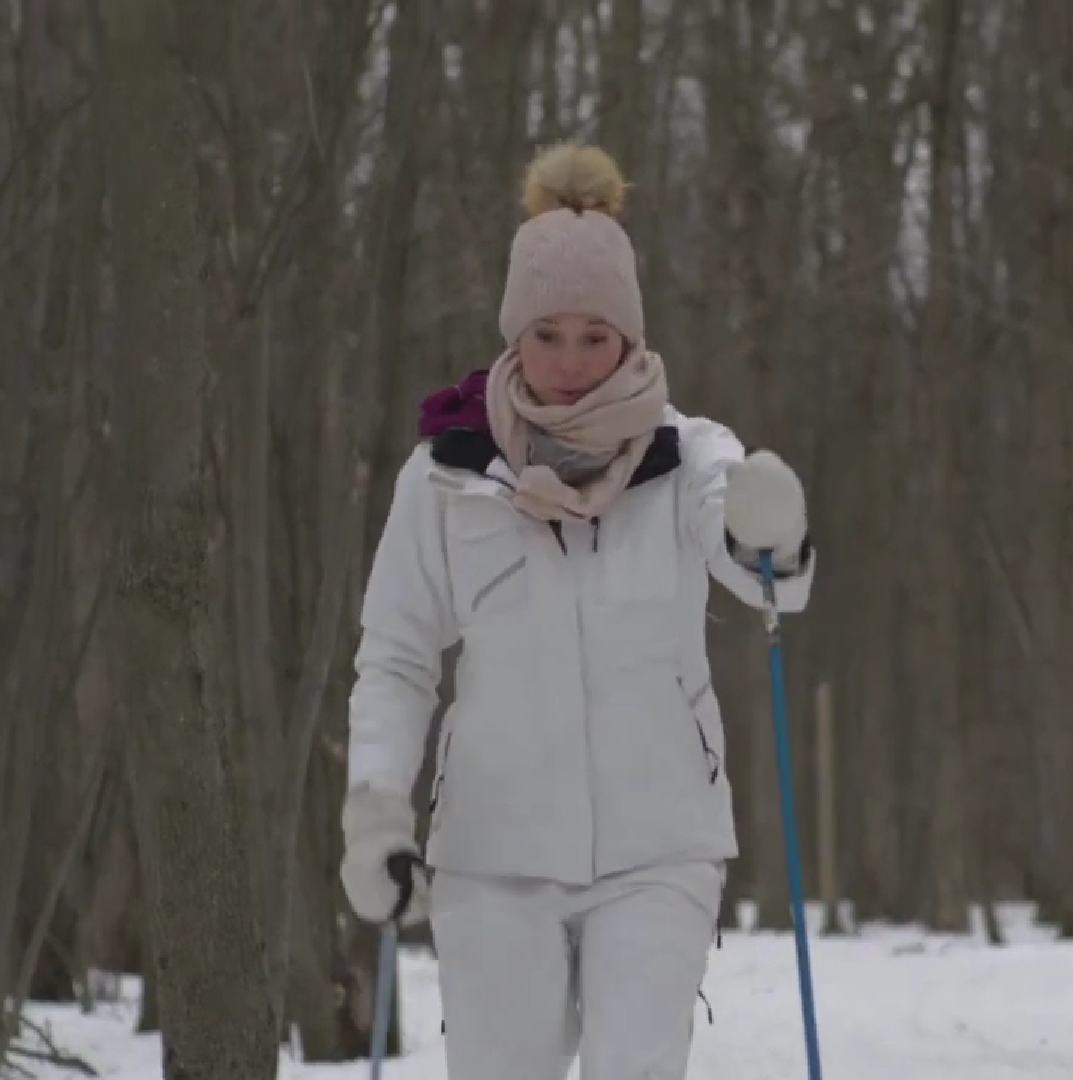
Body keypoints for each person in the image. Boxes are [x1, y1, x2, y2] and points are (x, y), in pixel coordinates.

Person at [337, 141, 816, 1080]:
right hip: (491, 851)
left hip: (658, 847)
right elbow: (395, 656)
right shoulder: (448, 476)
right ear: (515, 332)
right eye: (547, 335)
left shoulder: (689, 458)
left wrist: (774, 535)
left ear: (630, 339)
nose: (569, 363)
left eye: (594, 337)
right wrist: (376, 808)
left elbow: (766, 578)